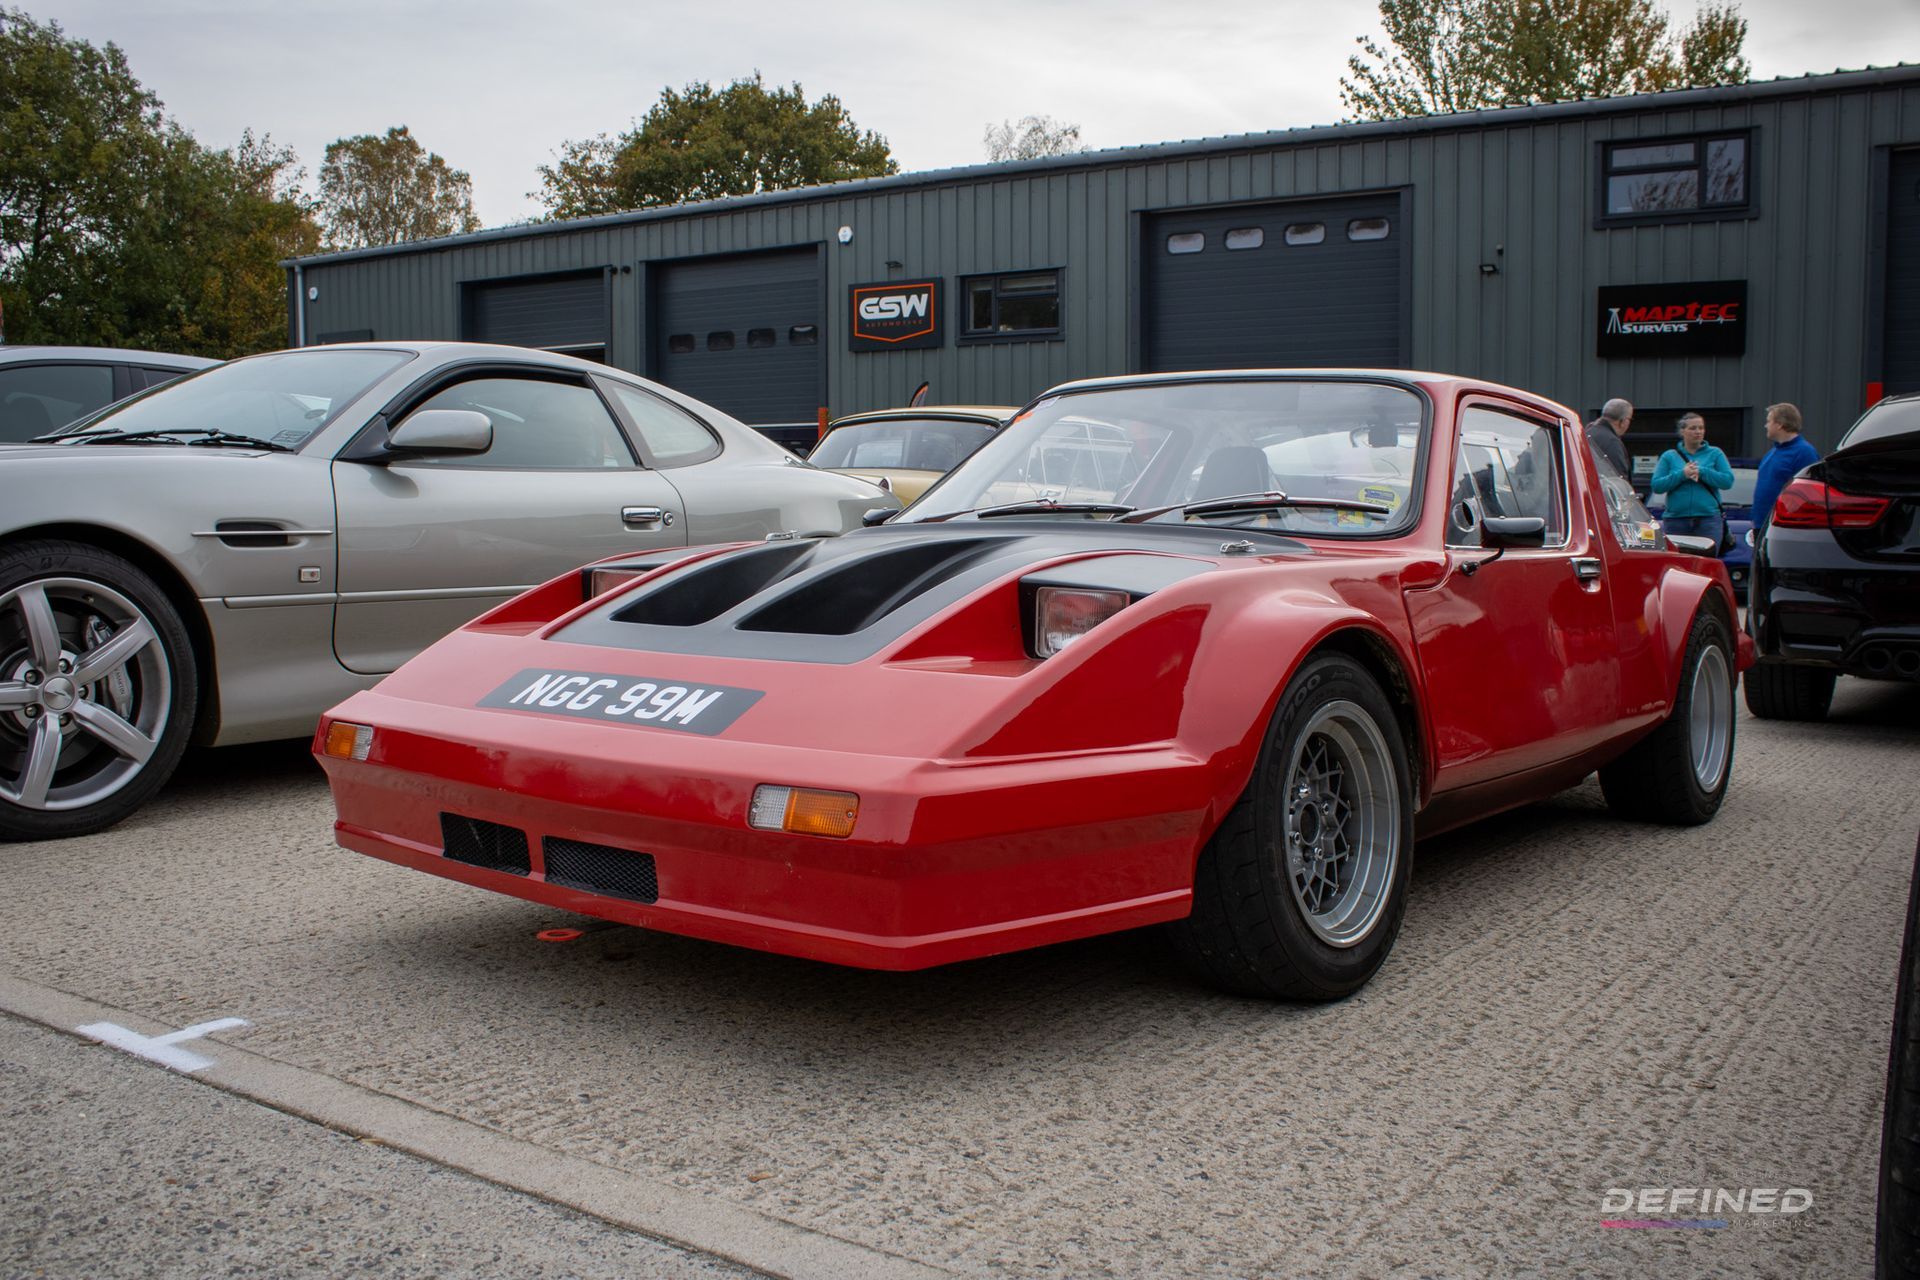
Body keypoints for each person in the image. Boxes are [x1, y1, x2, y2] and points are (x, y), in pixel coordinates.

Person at [1649, 412, 1734, 548]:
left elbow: (1727, 481)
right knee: (1678, 561)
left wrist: (1702, 471)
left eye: (1701, 428)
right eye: (1693, 428)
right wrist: (1682, 474)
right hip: (1676, 520)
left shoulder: (1715, 453)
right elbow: (1657, 485)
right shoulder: (1669, 456)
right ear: (1682, 431)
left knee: (1708, 562)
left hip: (1708, 520)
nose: (1698, 432)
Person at [1750, 402, 1820, 531]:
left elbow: (1810, 492)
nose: (1766, 426)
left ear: (1780, 424)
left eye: (1769, 421)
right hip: (1762, 524)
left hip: (1785, 526)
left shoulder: (1804, 452)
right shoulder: (1772, 453)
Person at [1585, 398, 1632, 478]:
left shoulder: (1586, 433)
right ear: (1623, 421)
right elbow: (1619, 480)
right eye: (1629, 419)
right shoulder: (1612, 442)